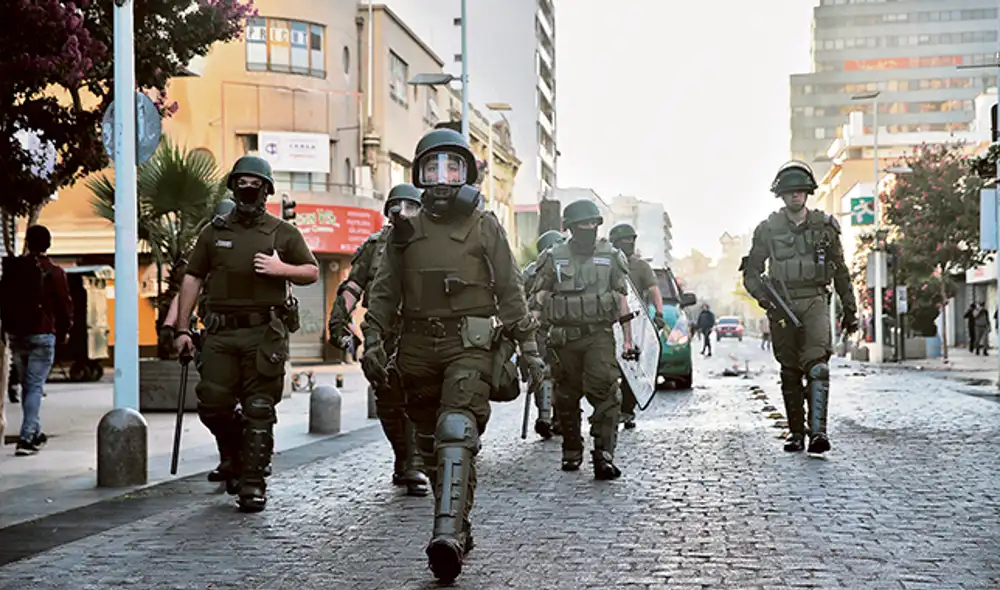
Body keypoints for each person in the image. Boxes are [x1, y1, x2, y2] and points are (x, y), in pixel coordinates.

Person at [360, 128, 545, 583]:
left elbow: (510, 291)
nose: (442, 178)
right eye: (433, 167)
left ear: (467, 174)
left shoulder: (485, 226)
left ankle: (445, 537)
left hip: (471, 344)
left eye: (453, 167)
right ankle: (460, 525)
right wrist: (374, 339)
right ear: (419, 174)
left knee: (456, 430)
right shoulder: (402, 232)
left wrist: (529, 350)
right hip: (417, 350)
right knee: (428, 443)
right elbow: (383, 293)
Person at [173, 155, 319, 512]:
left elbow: (311, 272)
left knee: (259, 407)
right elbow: (192, 278)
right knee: (212, 404)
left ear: (266, 189)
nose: (248, 189)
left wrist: (280, 268)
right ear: (233, 186)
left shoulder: (282, 232)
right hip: (220, 333)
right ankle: (237, 454)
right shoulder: (214, 232)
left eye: (256, 183)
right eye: (242, 182)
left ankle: (252, 484)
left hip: (263, 334)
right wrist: (181, 328)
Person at [741, 160, 857, 455]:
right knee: (789, 371)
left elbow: (841, 271)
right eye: (790, 192)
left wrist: (850, 310)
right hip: (781, 303)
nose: (795, 196)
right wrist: (765, 299)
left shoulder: (825, 227)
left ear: (807, 193)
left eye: (800, 191)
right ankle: (795, 433)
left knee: (818, 366)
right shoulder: (767, 230)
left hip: (816, 299)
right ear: (781, 195)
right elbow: (752, 271)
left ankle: (818, 432)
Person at [327, 183, 429, 497]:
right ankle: (403, 457)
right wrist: (339, 319)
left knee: (416, 397)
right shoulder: (374, 245)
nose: (402, 212)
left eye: (409, 206)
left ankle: (415, 462)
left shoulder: (430, 242)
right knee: (388, 402)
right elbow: (354, 286)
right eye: (395, 206)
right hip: (381, 331)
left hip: (419, 330)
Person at [529, 199, 634, 478]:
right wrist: (530, 335)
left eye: (593, 223)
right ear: (571, 227)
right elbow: (539, 297)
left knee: (607, 393)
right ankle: (572, 449)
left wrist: (627, 340)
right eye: (583, 224)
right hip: (563, 338)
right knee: (566, 395)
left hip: (598, 336)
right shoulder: (554, 256)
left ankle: (604, 455)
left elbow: (622, 300)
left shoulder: (611, 256)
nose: (589, 228)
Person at [0, 225, 73, 456]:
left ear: (28, 243)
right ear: (48, 244)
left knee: (28, 386)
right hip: (42, 334)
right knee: (33, 387)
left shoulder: (14, 269)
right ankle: (27, 438)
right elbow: (64, 306)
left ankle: (36, 431)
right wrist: (64, 331)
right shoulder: (54, 272)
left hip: (17, 334)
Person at [608, 223, 665, 429]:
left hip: (634, 324)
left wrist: (659, 314)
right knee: (608, 371)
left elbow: (654, 289)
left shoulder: (641, 266)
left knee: (630, 368)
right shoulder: (606, 263)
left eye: (631, 240)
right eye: (624, 241)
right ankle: (609, 411)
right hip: (608, 323)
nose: (629, 244)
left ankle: (627, 411)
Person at [521, 229, 566, 439]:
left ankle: (546, 416)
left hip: (538, 328)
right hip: (559, 327)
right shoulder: (563, 266)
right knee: (561, 374)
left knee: (543, 373)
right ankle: (557, 418)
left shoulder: (530, 271)